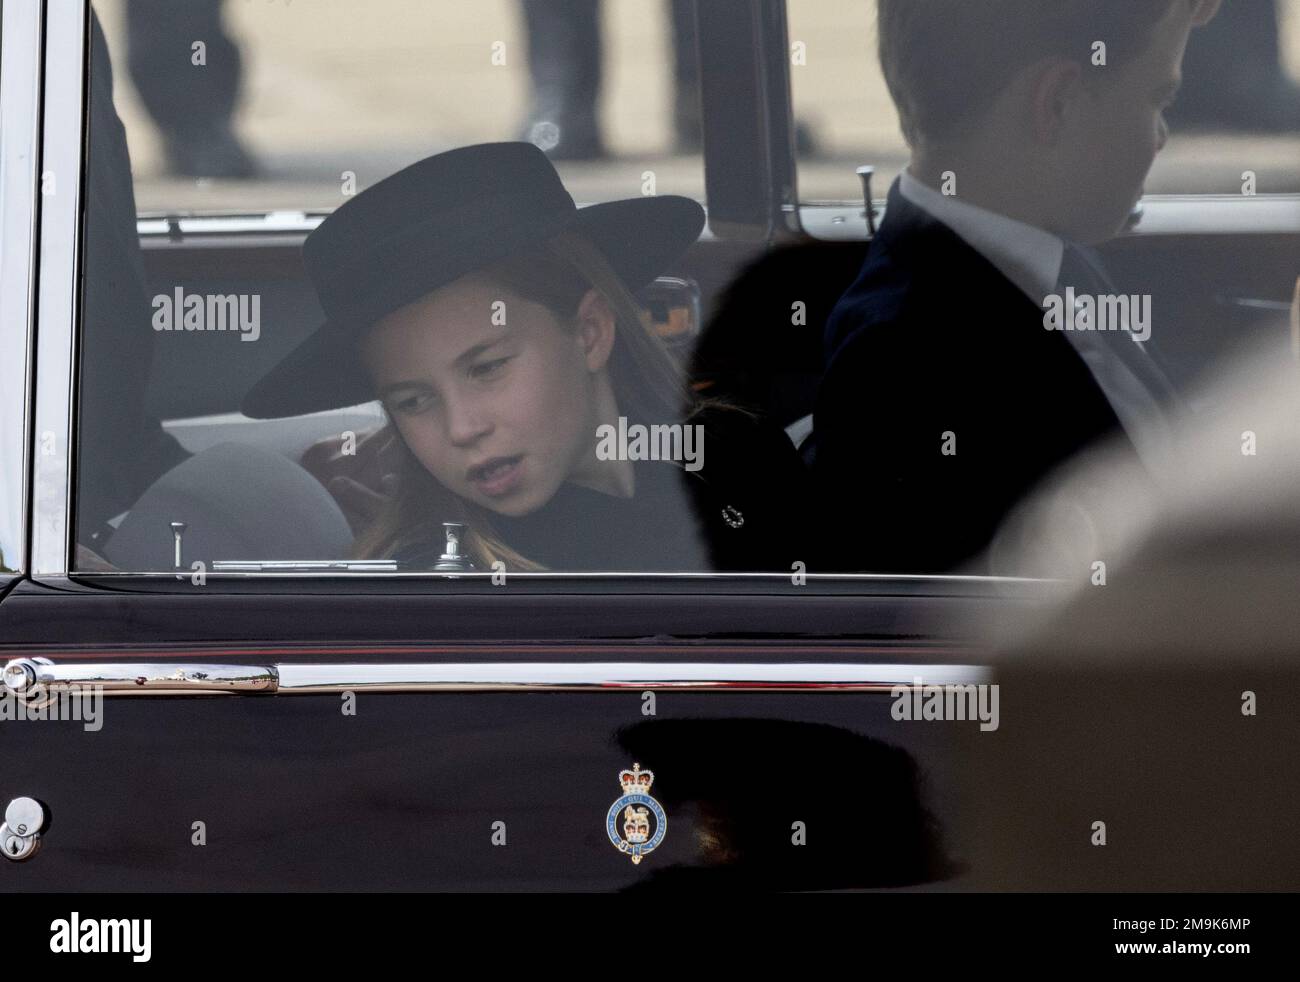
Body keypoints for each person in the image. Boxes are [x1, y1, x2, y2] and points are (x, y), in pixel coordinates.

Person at [242, 143, 806, 572]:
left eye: (487, 368)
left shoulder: (739, 456)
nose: (463, 428)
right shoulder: (444, 580)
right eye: (414, 401)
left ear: (589, 331)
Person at [811, 0, 1221, 574]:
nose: (1162, 135)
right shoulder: (901, 366)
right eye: (1158, 99)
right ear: (1057, 103)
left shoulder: (1047, 252)